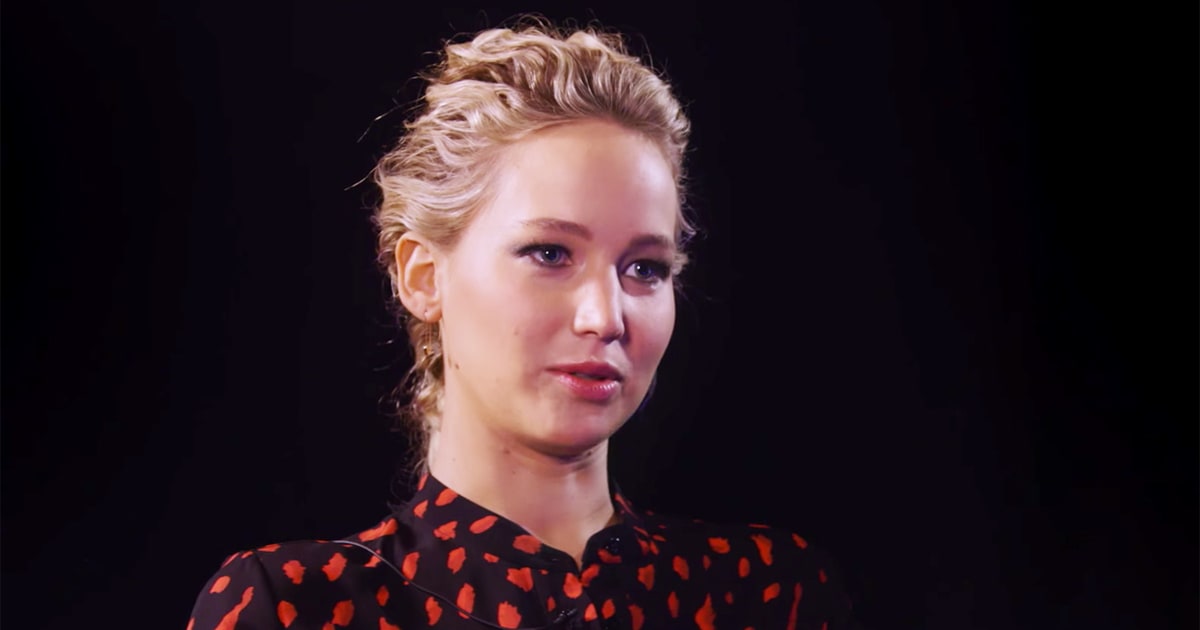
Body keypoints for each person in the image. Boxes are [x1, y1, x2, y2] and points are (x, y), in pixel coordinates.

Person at [187, 19, 856, 630]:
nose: (606, 317)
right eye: (549, 254)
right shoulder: (297, 607)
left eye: (644, 268)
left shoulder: (768, 595)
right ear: (423, 276)